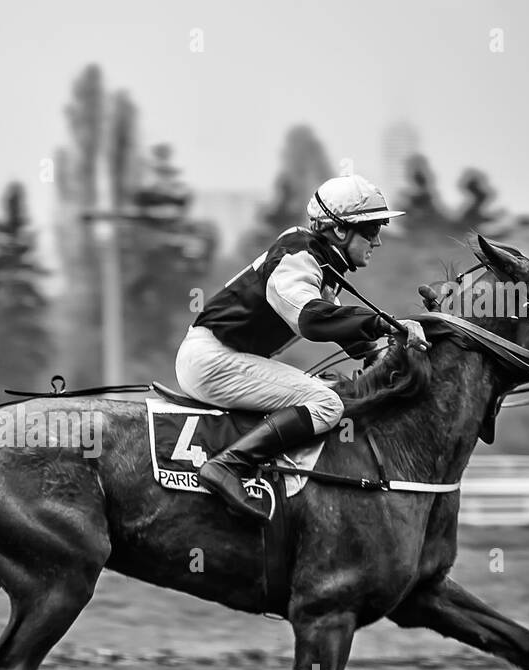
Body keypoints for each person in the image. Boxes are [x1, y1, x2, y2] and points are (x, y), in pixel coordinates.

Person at [175, 174, 427, 521]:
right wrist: (385, 322)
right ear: (340, 230)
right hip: (211, 360)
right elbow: (310, 319)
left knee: (328, 390)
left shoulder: (320, 266)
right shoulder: (299, 254)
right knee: (326, 404)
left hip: (221, 357)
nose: (378, 240)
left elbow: (358, 342)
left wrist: (402, 353)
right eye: (371, 229)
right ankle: (228, 467)